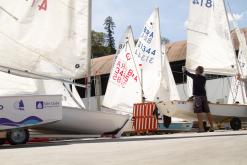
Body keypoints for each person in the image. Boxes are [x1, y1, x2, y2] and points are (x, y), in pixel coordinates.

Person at [182, 66, 214, 132]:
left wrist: (184, 69)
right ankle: (212, 127)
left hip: (197, 97)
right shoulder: (204, 78)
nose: (195, 71)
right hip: (204, 96)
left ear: (198, 71)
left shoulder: (195, 76)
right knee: (208, 112)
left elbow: (186, 73)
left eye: (196, 70)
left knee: (199, 113)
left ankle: (201, 128)